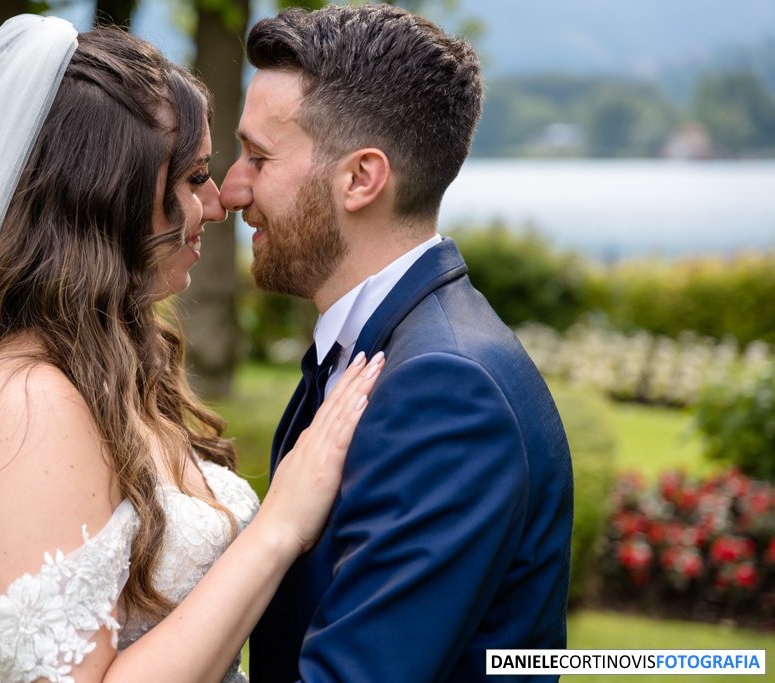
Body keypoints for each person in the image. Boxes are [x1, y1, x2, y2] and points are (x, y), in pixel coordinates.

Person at [0, 15, 383, 683]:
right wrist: (278, 526)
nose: (219, 203)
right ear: (115, 197)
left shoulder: (114, 371)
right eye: (195, 178)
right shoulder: (23, 402)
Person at [217, 5, 574, 681]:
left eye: (258, 157)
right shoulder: (375, 347)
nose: (232, 189)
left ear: (360, 179)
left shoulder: (446, 389)